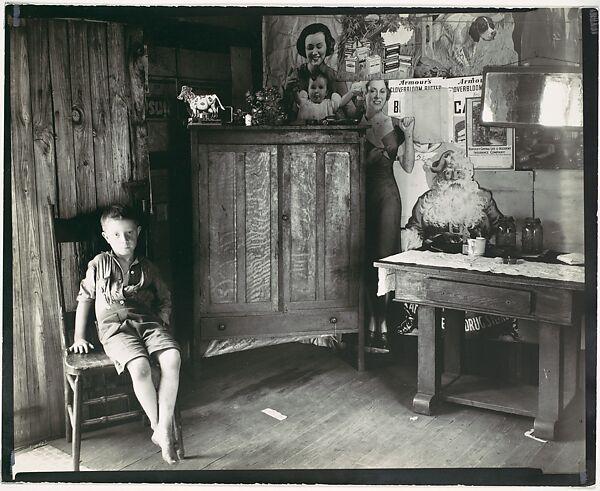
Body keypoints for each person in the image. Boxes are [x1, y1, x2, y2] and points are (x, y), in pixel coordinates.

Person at [70, 204, 182, 465]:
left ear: (138, 232)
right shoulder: (99, 264)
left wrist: (162, 319)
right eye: (117, 234)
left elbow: (165, 298)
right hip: (115, 329)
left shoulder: (147, 267)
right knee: (141, 367)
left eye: (130, 233)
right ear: (106, 236)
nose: (125, 239)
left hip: (148, 323)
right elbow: (85, 299)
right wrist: (79, 337)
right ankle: (159, 428)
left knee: (173, 358)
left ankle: (163, 426)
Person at [360, 79, 415, 352]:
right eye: (373, 91)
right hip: (360, 198)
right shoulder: (357, 123)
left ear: (388, 95)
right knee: (366, 260)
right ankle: (370, 322)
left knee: (383, 259)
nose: (378, 95)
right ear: (365, 93)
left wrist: (409, 135)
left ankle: (383, 326)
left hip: (387, 198)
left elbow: (407, 166)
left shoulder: (395, 125)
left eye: (383, 91)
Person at [403, 148, 503, 250]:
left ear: (468, 175)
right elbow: (414, 230)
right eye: (448, 172)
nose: (454, 177)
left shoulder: (483, 199)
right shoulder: (426, 200)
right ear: (440, 177)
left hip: (475, 256)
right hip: (436, 257)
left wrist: (491, 244)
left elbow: (500, 227)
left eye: (459, 172)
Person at [284, 22, 350, 121]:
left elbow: (351, 114)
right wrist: (287, 91)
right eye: (310, 48)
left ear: (327, 46)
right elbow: (286, 115)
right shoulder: (296, 75)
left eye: (319, 47)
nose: (315, 52)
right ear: (304, 50)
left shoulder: (335, 77)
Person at [294, 69, 362, 123]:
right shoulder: (304, 103)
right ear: (308, 91)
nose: (316, 91)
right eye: (313, 87)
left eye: (320, 87)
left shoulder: (328, 104)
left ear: (326, 92)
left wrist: (351, 92)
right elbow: (297, 99)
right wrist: (294, 89)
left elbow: (341, 102)